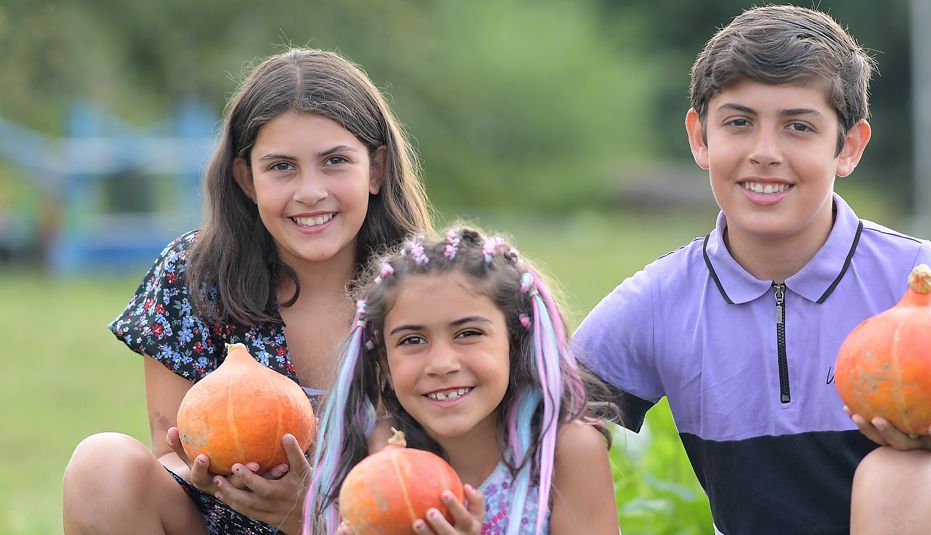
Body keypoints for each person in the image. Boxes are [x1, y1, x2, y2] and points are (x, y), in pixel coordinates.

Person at [573, 6, 931, 534]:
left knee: (902, 475)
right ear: (700, 137)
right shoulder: (660, 299)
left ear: (847, 147)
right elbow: (547, 419)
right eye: (738, 123)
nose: (765, 153)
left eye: (798, 127)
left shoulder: (920, 276)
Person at [62, 48, 435, 534]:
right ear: (247, 179)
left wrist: (314, 512)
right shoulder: (196, 273)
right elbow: (171, 452)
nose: (309, 191)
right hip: (228, 523)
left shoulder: (426, 285)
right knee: (101, 464)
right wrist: (226, 479)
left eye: (335, 161)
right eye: (281, 167)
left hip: (373, 523)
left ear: (377, 169)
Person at [304, 228, 620, 535]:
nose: (442, 364)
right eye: (412, 340)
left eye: (468, 334)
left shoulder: (564, 453)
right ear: (385, 362)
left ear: (513, 342)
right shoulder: (383, 453)